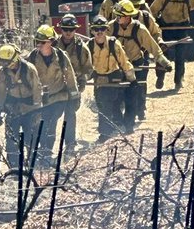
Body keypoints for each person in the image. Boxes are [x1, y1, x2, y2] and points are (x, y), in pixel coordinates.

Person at [110, 0, 171, 127]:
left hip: (135, 64)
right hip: (117, 66)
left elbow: (154, 48)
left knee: (132, 96)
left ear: (127, 17)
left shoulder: (140, 29)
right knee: (115, 97)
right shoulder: (111, 27)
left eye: (119, 16)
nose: (116, 18)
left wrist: (165, 63)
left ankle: (129, 125)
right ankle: (118, 122)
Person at [28, 24, 78, 164]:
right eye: (36, 41)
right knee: (39, 125)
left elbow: (70, 77)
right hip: (40, 99)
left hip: (58, 97)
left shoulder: (61, 57)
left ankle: (47, 152)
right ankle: (42, 151)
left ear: (50, 42)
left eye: (42, 42)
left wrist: (74, 97)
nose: (38, 45)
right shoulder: (31, 58)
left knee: (50, 122)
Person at [88, 17, 136, 141]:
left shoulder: (114, 44)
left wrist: (132, 79)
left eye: (102, 29)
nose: (99, 32)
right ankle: (109, 130)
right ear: (92, 31)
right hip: (99, 79)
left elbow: (124, 62)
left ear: (107, 30)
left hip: (113, 77)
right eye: (96, 29)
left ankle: (106, 133)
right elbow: (85, 65)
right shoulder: (89, 46)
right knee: (102, 105)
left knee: (109, 105)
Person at [0, 44, 42, 168]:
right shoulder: (3, 73)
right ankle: (14, 166)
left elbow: (37, 90)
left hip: (30, 109)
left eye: (7, 63)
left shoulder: (29, 69)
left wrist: (37, 111)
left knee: (31, 137)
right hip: (12, 109)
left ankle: (32, 164)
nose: (5, 66)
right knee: (11, 139)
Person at [55, 14, 92, 156]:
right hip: (56, 87)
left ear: (75, 30)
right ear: (61, 29)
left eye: (71, 29)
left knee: (70, 115)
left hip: (73, 87)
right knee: (52, 116)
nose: (68, 32)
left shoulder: (81, 48)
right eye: (65, 29)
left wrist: (83, 80)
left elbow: (88, 68)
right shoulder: (52, 46)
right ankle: (47, 147)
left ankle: (70, 144)